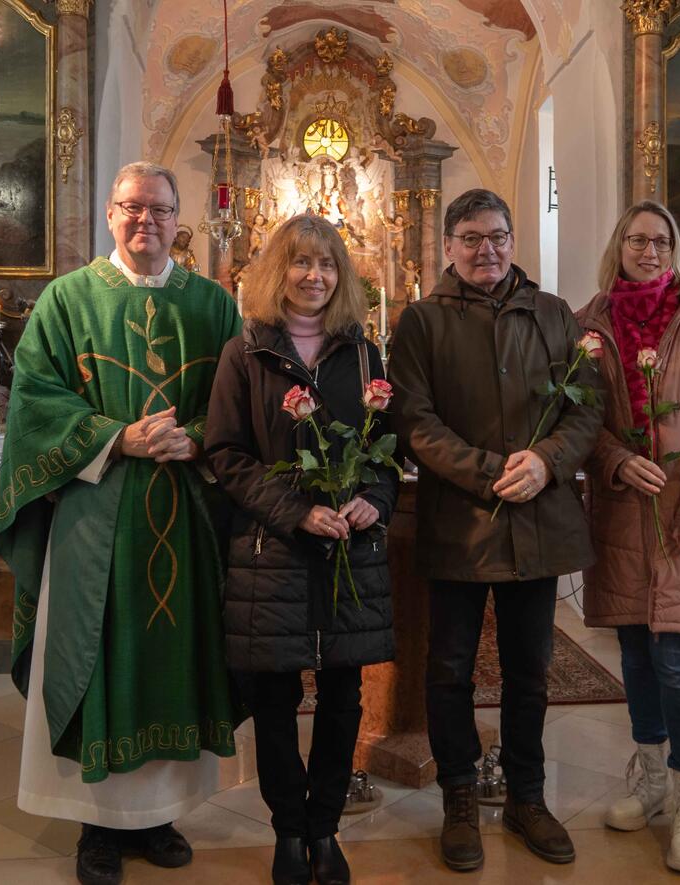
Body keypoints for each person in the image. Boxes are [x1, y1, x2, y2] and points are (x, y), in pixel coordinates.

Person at [0, 162, 242, 885]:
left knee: (172, 663)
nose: (146, 222)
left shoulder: (213, 305)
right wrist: (116, 437)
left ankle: (157, 816)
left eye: (160, 210)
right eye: (132, 208)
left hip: (185, 513)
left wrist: (194, 436)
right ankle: (95, 829)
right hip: (95, 518)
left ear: (178, 220)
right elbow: (36, 402)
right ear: (110, 215)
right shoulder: (67, 300)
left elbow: (237, 400)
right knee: (99, 660)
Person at [388, 188, 602, 872]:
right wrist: (489, 472)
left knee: (530, 670)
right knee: (449, 668)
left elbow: (586, 407)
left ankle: (527, 794)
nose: (489, 250)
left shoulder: (554, 313)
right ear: (449, 246)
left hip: (538, 517)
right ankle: (458, 794)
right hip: (460, 519)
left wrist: (547, 461)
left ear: (515, 241)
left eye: (500, 237)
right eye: (474, 238)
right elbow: (415, 422)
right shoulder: (420, 321)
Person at [205, 214, 396, 885]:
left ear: (341, 275)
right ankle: (289, 830)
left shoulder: (366, 355)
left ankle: (326, 829)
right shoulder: (246, 353)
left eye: (326, 264)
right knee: (276, 695)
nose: (314, 276)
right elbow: (225, 453)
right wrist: (295, 510)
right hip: (273, 551)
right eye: (300, 262)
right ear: (276, 270)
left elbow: (387, 453)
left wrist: (374, 497)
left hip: (349, 549)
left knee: (344, 697)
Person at [576, 200, 680, 875]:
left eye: (660, 239)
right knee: (636, 653)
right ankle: (648, 777)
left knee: (675, 657)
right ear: (618, 246)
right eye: (636, 239)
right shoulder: (590, 321)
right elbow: (580, 417)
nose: (648, 249)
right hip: (623, 510)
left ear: (675, 248)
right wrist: (616, 459)